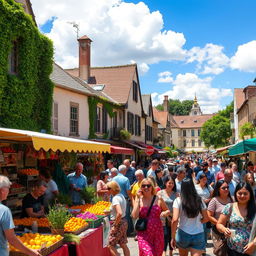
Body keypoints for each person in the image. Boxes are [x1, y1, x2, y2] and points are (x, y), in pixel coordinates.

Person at [0, 176, 41, 256]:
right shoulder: (4, 211)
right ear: (2, 191)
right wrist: (31, 252)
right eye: (8, 188)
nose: (9, 190)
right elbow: (11, 239)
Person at [132, 178, 170, 256]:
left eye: (148, 186)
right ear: (140, 187)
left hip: (157, 232)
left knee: (157, 253)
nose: (146, 188)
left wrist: (164, 213)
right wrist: (138, 199)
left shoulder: (158, 198)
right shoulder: (139, 199)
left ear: (152, 187)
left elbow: (167, 211)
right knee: (149, 254)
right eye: (143, 186)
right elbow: (134, 216)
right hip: (143, 233)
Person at [171, 178, 208, 256]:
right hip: (198, 233)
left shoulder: (178, 201)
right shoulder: (199, 200)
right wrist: (200, 221)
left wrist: (173, 237)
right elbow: (206, 218)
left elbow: (174, 220)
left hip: (183, 233)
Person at [217, 182, 256, 256]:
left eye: (245, 193)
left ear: (250, 194)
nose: (242, 196)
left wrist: (254, 244)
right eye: (240, 193)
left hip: (251, 250)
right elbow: (219, 224)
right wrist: (224, 229)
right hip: (232, 250)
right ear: (235, 193)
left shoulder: (254, 209)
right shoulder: (229, 207)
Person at [207, 180, 233, 255]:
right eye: (224, 188)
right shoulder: (214, 200)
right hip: (217, 232)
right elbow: (209, 216)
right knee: (220, 252)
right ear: (218, 189)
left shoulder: (232, 199)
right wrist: (220, 224)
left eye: (227, 187)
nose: (226, 189)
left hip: (230, 230)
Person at [107, 181, 130, 256]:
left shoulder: (115, 199)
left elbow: (119, 213)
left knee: (110, 244)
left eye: (108, 188)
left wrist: (115, 225)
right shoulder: (121, 196)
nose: (107, 190)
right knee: (123, 244)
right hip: (124, 221)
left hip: (119, 223)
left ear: (113, 189)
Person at [157, 176, 177, 256]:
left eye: (172, 183)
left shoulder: (176, 194)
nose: (171, 184)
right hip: (163, 218)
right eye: (169, 183)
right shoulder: (160, 193)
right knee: (164, 235)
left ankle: (171, 252)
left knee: (172, 235)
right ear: (165, 183)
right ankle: (163, 252)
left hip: (173, 218)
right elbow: (157, 206)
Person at [113, 165, 133, 235]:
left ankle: (118, 230)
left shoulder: (114, 179)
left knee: (117, 215)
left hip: (115, 199)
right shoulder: (125, 179)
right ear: (124, 171)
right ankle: (126, 232)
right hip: (124, 199)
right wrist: (131, 200)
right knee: (125, 215)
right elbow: (128, 191)